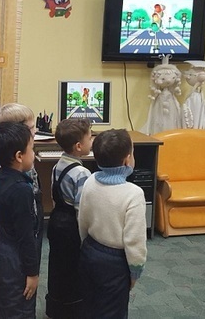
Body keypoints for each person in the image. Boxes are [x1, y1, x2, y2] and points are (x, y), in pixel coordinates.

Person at [77, 129, 147, 319]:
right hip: (115, 262)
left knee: (89, 304)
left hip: (89, 250)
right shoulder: (134, 194)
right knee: (113, 311)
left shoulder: (90, 180)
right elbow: (135, 240)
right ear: (127, 160)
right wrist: (135, 272)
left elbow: (82, 218)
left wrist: (87, 245)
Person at [0, 121, 40, 319]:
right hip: (13, 257)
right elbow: (26, 235)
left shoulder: (2, 176)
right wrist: (32, 273)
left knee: (4, 304)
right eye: (31, 149)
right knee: (19, 308)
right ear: (19, 156)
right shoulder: (21, 189)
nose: (33, 154)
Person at [46, 118, 93, 318]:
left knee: (57, 265)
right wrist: (85, 239)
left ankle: (56, 306)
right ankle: (72, 309)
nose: (92, 141)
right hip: (71, 226)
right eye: (90, 137)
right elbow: (81, 210)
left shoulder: (57, 165)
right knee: (73, 268)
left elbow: (54, 196)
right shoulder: (82, 172)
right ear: (79, 146)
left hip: (56, 221)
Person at [0, 103, 45, 262]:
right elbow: (24, 229)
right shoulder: (17, 175)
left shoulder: (17, 159)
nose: (35, 131)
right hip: (22, 231)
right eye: (31, 128)